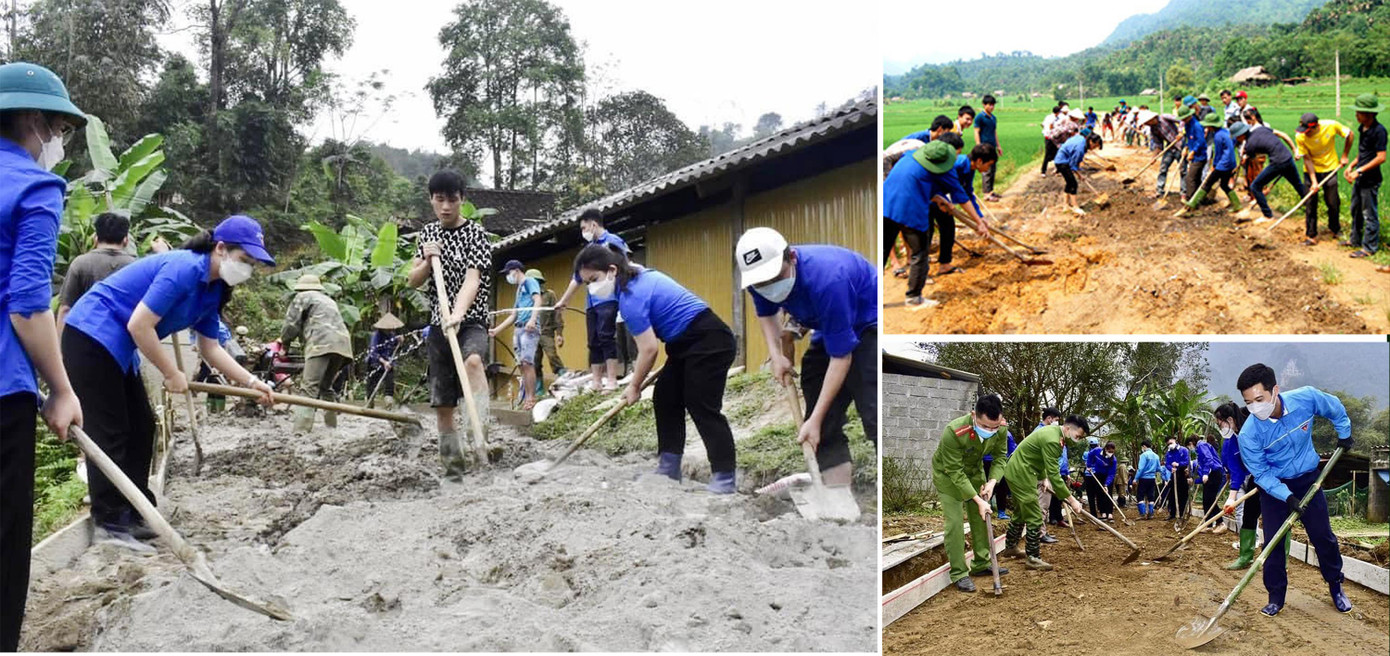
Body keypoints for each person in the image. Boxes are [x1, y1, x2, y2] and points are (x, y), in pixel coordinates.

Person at [63, 216, 276, 550]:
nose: (246, 269)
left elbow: (210, 348)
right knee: (110, 430)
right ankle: (110, 523)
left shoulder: (214, 291)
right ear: (220, 248)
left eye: (252, 264)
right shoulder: (184, 268)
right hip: (90, 335)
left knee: (143, 427)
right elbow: (139, 325)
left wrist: (252, 382)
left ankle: (136, 512)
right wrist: (171, 372)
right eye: (244, 260)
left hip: (118, 348)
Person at [0, 61, 88, 653]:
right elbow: (29, 306)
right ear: (35, 122)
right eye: (57, 129)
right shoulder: (35, 185)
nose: (57, 144)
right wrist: (61, 388)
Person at [574, 243, 738, 492]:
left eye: (593, 279)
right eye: (586, 283)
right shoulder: (635, 276)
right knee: (666, 397)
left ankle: (725, 477)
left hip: (709, 339)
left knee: (701, 404)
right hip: (683, 343)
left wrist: (634, 386)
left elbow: (649, 349)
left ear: (611, 270)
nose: (592, 288)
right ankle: (669, 467)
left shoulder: (631, 298)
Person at [738, 227, 878, 487]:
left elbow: (841, 358)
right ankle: (838, 496)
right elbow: (766, 315)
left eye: (773, 277)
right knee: (818, 402)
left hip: (868, 321)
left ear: (790, 257)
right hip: (828, 326)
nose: (768, 286)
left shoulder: (827, 278)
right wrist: (776, 354)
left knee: (873, 406)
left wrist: (813, 421)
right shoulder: (757, 277)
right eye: (761, 283)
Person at [1235, 363, 1354, 616]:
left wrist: (1344, 433)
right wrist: (1286, 496)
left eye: (1259, 399)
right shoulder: (1249, 435)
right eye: (1248, 403)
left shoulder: (1306, 398)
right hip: (1275, 489)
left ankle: (1336, 586)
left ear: (1274, 390)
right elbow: (1262, 474)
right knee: (1274, 543)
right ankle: (1275, 597)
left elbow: (1334, 408)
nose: (1255, 407)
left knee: (1323, 537)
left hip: (1309, 480)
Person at [407, 170, 493, 477]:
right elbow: (413, 280)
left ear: (462, 200)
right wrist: (429, 261)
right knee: (443, 402)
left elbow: (472, 281)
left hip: (470, 320)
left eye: (452, 200)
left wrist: (457, 314)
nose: (446, 206)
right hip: (437, 326)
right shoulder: (427, 235)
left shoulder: (477, 235)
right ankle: (453, 469)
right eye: (440, 199)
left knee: (473, 362)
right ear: (431, 200)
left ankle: (480, 437)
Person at [932, 395, 1011, 592]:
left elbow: (1001, 457)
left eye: (995, 427)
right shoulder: (954, 431)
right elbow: (955, 471)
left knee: (981, 517)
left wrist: (992, 482)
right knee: (955, 523)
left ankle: (982, 564)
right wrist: (977, 499)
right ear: (974, 415)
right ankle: (959, 573)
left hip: (975, 473)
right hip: (948, 476)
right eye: (986, 426)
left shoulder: (1000, 428)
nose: (991, 431)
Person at [998, 414, 1091, 571]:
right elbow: (1055, 474)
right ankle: (1033, 558)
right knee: (1034, 514)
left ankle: (1010, 547)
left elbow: (1039, 459)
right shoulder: (1053, 440)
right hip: (1021, 472)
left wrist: (1043, 479)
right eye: (1078, 436)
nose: (1078, 440)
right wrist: (1071, 499)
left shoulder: (1055, 434)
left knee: (1022, 511)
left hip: (1023, 469)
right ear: (1068, 429)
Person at [554, 208, 628, 391]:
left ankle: (611, 379)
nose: (583, 232)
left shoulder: (613, 242)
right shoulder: (588, 250)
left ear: (594, 224)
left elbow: (626, 267)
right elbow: (577, 279)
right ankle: (596, 381)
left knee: (607, 337)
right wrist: (564, 301)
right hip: (592, 302)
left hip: (609, 299)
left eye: (584, 228)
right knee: (593, 341)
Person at [279, 273, 353, 433]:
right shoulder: (328, 300)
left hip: (321, 343)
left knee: (309, 388)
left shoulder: (302, 297)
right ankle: (331, 427)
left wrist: (284, 344)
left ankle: (300, 431)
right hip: (342, 345)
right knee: (326, 386)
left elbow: (291, 325)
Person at [56, 212, 135, 334]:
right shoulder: (134, 266)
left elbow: (66, 308)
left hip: (85, 337)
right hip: (122, 340)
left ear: (95, 238)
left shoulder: (81, 263)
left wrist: (60, 347)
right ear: (126, 240)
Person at [1293, 113, 1355, 245]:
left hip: (1330, 169)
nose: (1306, 134)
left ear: (1316, 126)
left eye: (1308, 131)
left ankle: (1335, 229)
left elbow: (1350, 134)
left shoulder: (1331, 125)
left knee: (1333, 202)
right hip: (1311, 171)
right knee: (1310, 203)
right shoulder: (1300, 137)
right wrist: (1314, 181)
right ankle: (1311, 235)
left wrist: (1344, 155)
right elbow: (1307, 159)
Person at [1214, 401, 1262, 567]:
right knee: (1248, 515)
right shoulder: (1230, 439)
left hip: (1265, 477)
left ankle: (1276, 560)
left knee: (1272, 516)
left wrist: (1232, 496)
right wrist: (1231, 497)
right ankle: (1246, 556)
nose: (1220, 427)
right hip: (1250, 479)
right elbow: (1236, 468)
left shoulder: (1252, 431)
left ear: (1229, 419)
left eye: (1220, 423)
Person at [489, 260, 541, 410]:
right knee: (520, 364)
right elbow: (513, 315)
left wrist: (532, 319)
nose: (508, 276)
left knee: (527, 362)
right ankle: (525, 396)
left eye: (508, 273)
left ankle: (532, 397)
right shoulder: (519, 290)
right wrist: (496, 330)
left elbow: (538, 300)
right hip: (518, 329)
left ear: (516, 271)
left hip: (529, 328)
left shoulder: (530, 282)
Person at [1235, 119, 1306, 220]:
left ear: (1241, 135)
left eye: (1237, 137)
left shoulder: (1250, 144)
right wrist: (1294, 150)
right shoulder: (1261, 129)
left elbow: (1252, 159)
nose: (1237, 139)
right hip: (1288, 158)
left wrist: (1245, 157)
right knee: (1298, 184)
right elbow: (1277, 137)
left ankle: (1267, 215)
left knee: (1255, 186)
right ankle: (1310, 207)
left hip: (1278, 162)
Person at [1178, 114, 1243, 216]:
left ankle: (1193, 203)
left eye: (1208, 126)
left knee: (1207, 183)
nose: (1207, 128)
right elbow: (1233, 143)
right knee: (1224, 184)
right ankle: (1237, 205)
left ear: (1212, 126)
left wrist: (1214, 165)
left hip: (1223, 164)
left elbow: (1218, 153)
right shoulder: (1225, 131)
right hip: (1231, 162)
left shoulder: (1217, 136)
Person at [1345, 93, 1385, 258]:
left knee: (1369, 214)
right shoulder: (1363, 128)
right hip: (1360, 177)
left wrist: (1359, 171)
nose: (1356, 115)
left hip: (1370, 180)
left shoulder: (1379, 131)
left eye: (1358, 112)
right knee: (1355, 209)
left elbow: (1381, 157)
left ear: (1369, 114)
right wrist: (1352, 165)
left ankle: (1369, 247)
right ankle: (1354, 240)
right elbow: (1363, 152)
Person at [529, 268, 567, 384]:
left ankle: (563, 378)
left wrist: (559, 334)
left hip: (546, 332)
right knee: (534, 361)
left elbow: (557, 314)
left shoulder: (549, 295)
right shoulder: (526, 297)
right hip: (531, 334)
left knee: (552, 355)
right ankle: (538, 386)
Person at [1052, 131, 1103, 216]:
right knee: (1073, 184)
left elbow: (1075, 161)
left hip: (1062, 159)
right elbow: (1073, 165)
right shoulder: (1080, 148)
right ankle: (1075, 207)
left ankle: (1066, 205)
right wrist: (1079, 175)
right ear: (1091, 141)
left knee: (1069, 182)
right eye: (1095, 146)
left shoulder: (1082, 139)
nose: (1094, 148)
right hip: (1062, 162)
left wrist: (1079, 174)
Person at [1034, 407, 1062, 543]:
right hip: (1041, 474)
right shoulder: (1041, 432)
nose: (1057, 423)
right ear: (1049, 419)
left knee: (1046, 503)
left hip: (1045, 473)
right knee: (1042, 504)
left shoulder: (1047, 432)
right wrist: (1045, 477)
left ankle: (1043, 531)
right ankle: (1040, 534)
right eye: (1056, 420)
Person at [366, 312, 403, 409]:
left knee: (389, 383)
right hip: (375, 363)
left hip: (388, 363)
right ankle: (370, 403)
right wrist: (383, 362)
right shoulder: (376, 336)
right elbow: (373, 352)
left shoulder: (391, 334)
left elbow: (394, 345)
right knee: (372, 384)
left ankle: (389, 403)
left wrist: (399, 341)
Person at [1177, 104, 1209, 203]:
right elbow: (1189, 139)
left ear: (1189, 116)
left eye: (1184, 118)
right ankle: (1201, 199)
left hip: (1200, 156)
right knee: (1196, 179)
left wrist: (1193, 152)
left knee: (1190, 178)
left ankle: (1190, 200)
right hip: (1194, 155)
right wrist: (1186, 148)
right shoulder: (1187, 125)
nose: (1183, 120)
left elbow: (1201, 141)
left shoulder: (1197, 126)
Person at [973, 95, 1002, 201]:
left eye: (993, 105)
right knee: (986, 170)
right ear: (984, 105)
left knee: (993, 169)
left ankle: (991, 191)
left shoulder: (993, 118)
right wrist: (979, 146)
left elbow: (994, 132)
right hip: (984, 147)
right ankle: (986, 194)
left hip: (992, 146)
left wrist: (998, 146)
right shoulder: (980, 117)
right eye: (989, 105)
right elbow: (976, 131)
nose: (991, 107)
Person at [983, 429, 1017, 519]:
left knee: (989, 486)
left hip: (988, 462)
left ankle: (989, 507)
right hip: (998, 463)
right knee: (1001, 488)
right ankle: (999, 511)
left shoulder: (984, 430)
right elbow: (1012, 451)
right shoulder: (1006, 433)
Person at [1084, 440, 1117, 524]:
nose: (1110, 453)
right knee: (1100, 493)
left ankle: (1109, 513)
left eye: (1112, 452)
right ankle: (1103, 512)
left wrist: (1106, 484)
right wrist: (1089, 465)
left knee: (1108, 493)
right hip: (1098, 474)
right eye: (1109, 451)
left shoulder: (1113, 460)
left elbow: (1111, 474)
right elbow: (1090, 456)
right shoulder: (1097, 451)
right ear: (1105, 449)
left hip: (1108, 476)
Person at [1196, 432, 1225, 523]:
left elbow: (1208, 459)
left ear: (1191, 443)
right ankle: (1208, 523)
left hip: (1214, 473)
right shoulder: (1202, 447)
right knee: (1206, 500)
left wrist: (1205, 473)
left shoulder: (1201, 445)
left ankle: (1220, 522)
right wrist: (1196, 480)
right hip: (1212, 474)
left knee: (1210, 499)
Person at [1162, 435, 1191, 520]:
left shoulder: (1184, 450)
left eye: (1170, 443)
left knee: (1183, 495)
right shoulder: (1169, 453)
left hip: (1183, 474)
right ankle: (1172, 514)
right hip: (1174, 475)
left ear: (1174, 440)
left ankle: (1182, 514)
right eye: (1168, 444)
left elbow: (1187, 461)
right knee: (1172, 495)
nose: (1169, 445)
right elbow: (1167, 464)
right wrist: (1171, 468)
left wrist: (1178, 464)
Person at [1131, 440, 1159, 519]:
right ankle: (1151, 514)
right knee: (1151, 496)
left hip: (1144, 478)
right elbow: (1158, 468)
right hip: (1152, 478)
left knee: (1140, 496)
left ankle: (1142, 514)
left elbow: (1141, 469)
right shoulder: (1156, 456)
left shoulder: (1144, 455)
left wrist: (1135, 479)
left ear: (1144, 446)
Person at [1041, 105, 1063, 176]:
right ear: (1058, 112)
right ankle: (1056, 170)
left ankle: (1044, 171)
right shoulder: (1054, 119)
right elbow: (1051, 126)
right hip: (1052, 138)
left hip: (1047, 137)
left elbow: (1042, 124)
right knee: (1055, 154)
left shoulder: (1048, 117)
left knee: (1048, 155)